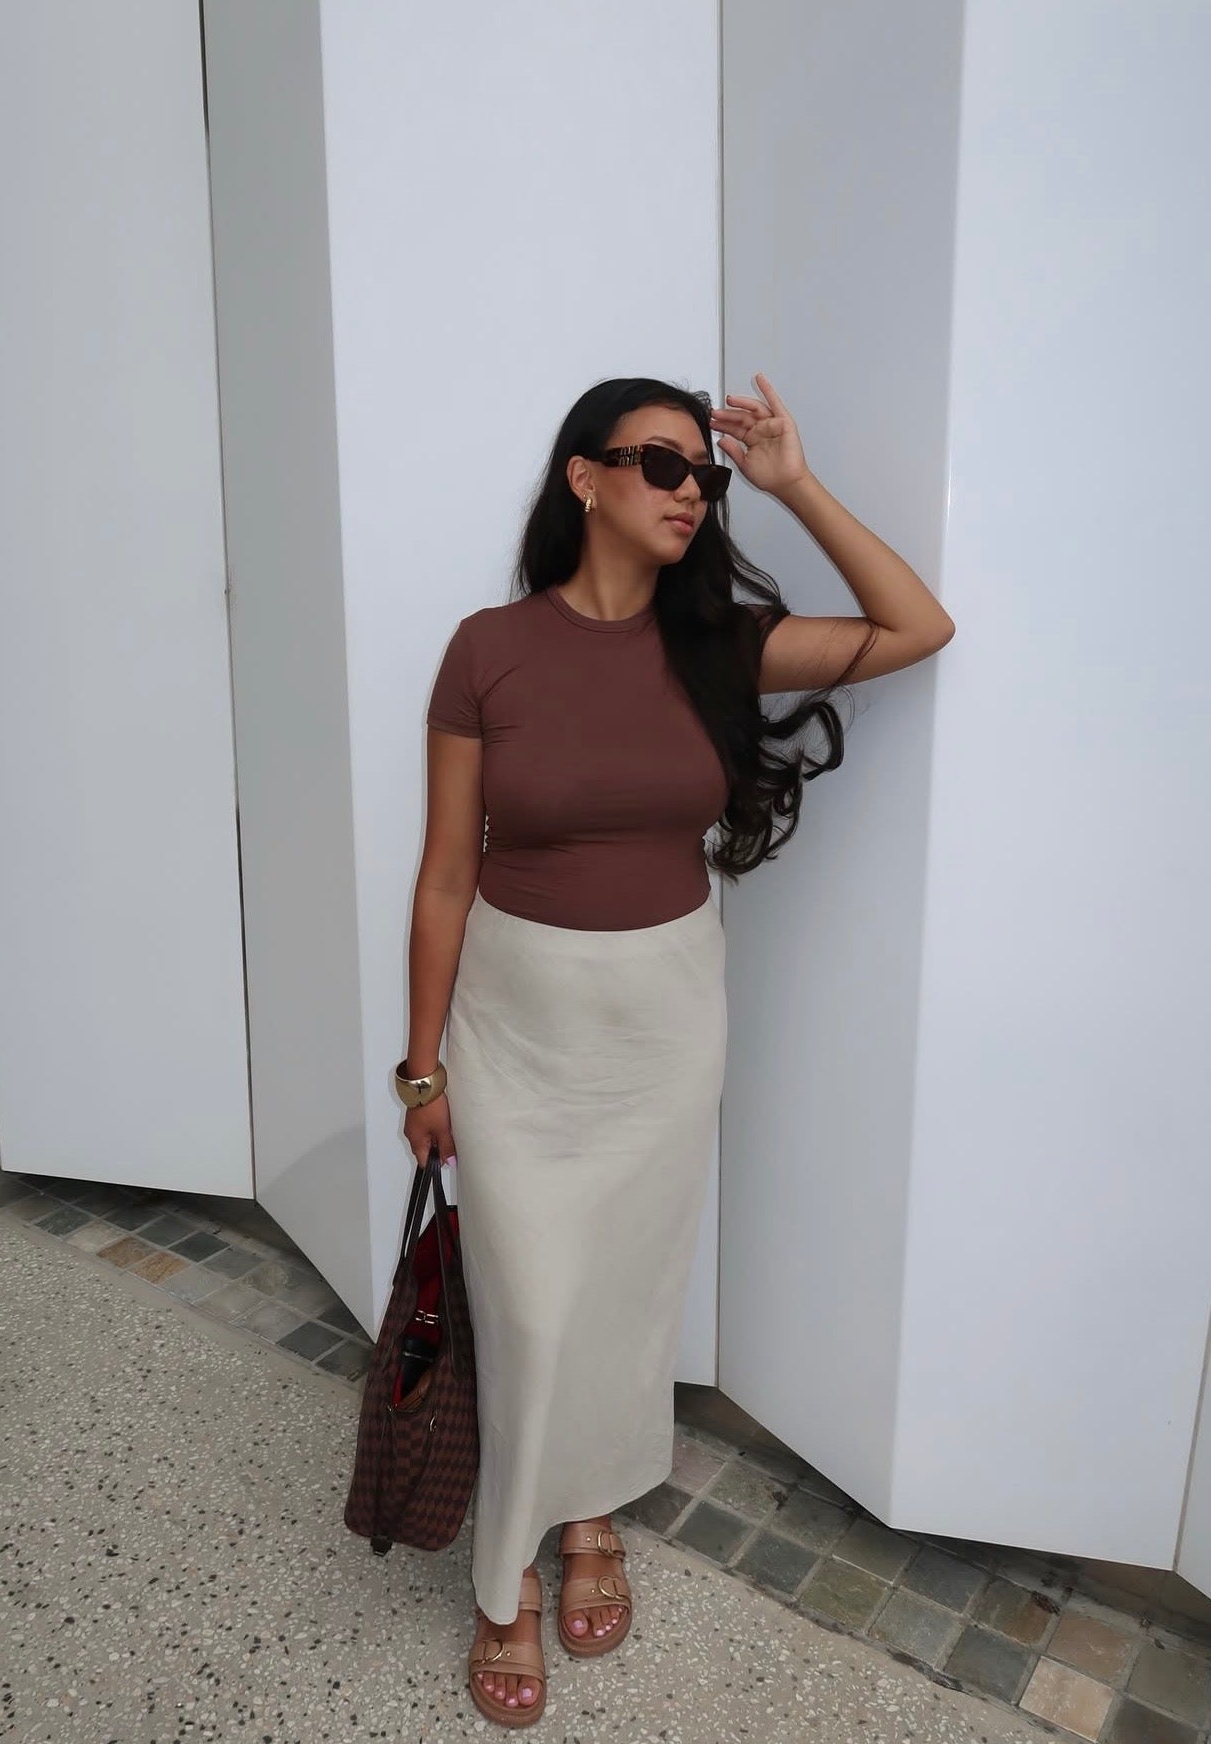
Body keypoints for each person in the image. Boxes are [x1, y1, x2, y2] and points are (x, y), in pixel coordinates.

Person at [394, 372, 954, 1726]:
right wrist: (422, 1065)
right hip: (517, 1022)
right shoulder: (487, 649)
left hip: (663, 1016)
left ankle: (589, 1514)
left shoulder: (720, 644)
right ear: (582, 479)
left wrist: (793, 483)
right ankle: (504, 1589)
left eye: (700, 473)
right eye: (660, 464)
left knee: (622, 1294)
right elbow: (443, 876)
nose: (689, 489)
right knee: (530, 1299)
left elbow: (917, 625)